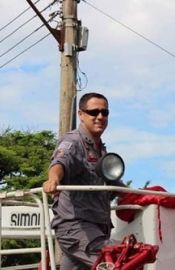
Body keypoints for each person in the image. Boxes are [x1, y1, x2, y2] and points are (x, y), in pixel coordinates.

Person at [43, 92, 125, 270]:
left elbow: (116, 185)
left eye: (105, 112)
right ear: (81, 114)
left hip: (97, 228)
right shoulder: (72, 141)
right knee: (121, 261)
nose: (100, 117)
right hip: (76, 228)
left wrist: (145, 197)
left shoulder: (101, 150)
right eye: (94, 112)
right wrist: (53, 179)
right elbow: (60, 162)